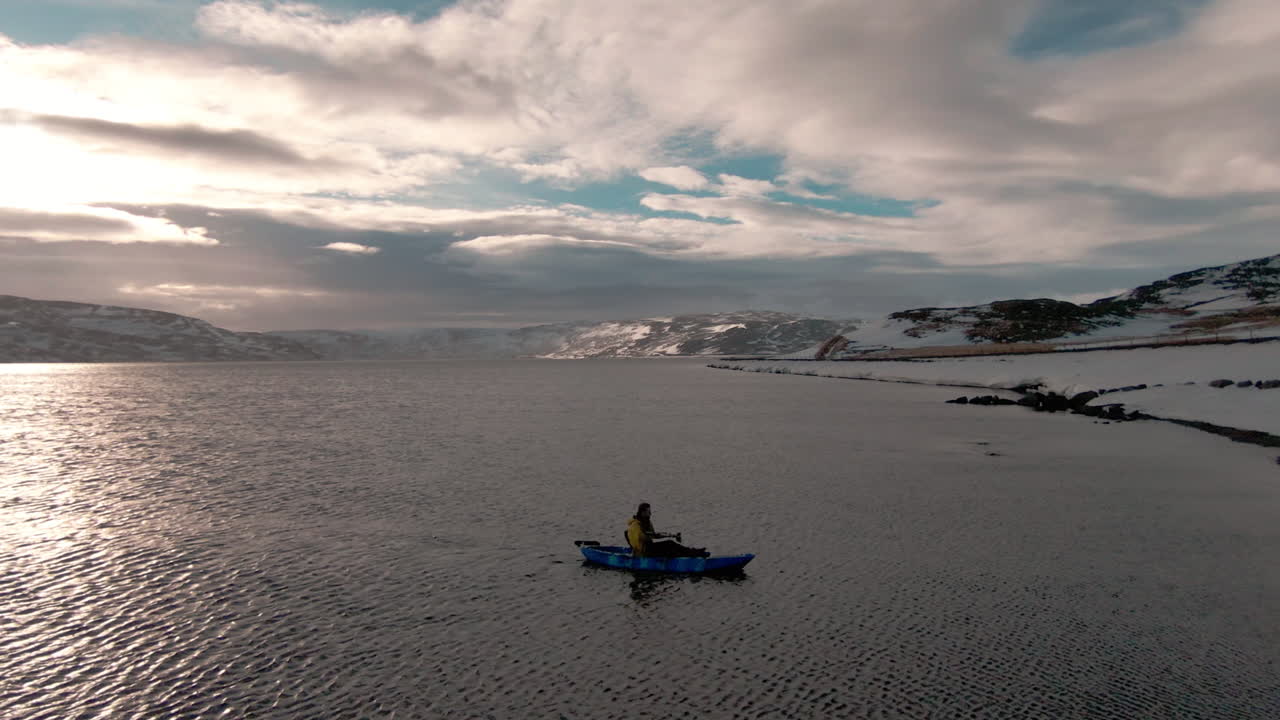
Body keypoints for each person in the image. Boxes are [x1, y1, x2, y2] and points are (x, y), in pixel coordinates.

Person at [626, 503, 708, 558]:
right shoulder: (635, 525)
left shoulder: (647, 521)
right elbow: (641, 538)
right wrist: (650, 535)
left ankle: (695, 552)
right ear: (642, 512)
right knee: (670, 545)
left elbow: (653, 535)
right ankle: (694, 554)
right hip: (642, 553)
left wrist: (669, 535)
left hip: (649, 548)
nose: (650, 513)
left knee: (670, 544)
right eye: (648, 512)